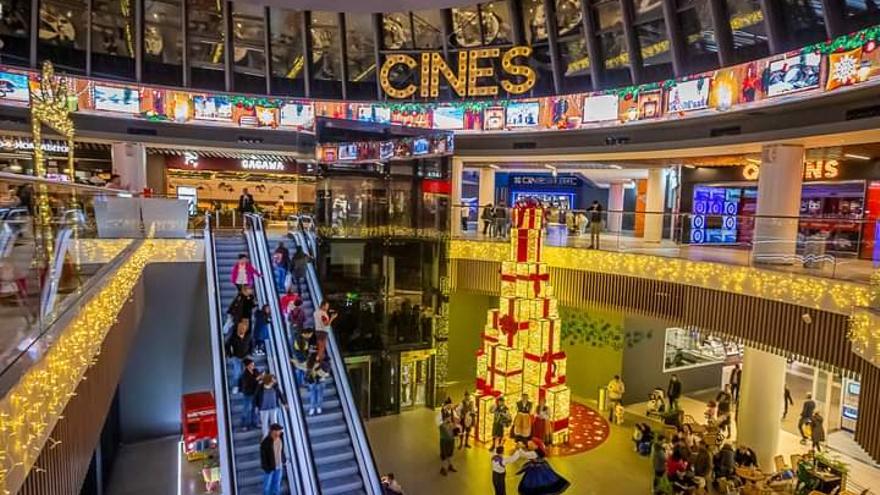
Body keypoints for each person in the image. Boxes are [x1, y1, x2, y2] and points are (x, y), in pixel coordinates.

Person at [254, 374, 287, 438]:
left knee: (274, 422)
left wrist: (284, 403)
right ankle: (265, 436)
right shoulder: (260, 387)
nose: (274, 381)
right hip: (263, 408)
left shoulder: (275, 386)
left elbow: (280, 394)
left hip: (273, 407)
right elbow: (255, 397)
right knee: (264, 423)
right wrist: (256, 406)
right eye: (273, 380)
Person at [225, 320, 253, 392]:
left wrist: (250, 352)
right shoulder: (233, 338)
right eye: (240, 330)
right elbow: (227, 345)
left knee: (245, 372)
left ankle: (243, 386)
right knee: (237, 373)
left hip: (245, 357)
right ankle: (236, 386)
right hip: (236, 357)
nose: (241, 332)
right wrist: (230, 355)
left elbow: (251, 343)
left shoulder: (248, 336)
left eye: (243, 330)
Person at [260, 423, 285, 495]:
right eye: (278, 430)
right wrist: (266, 468)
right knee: (267, 487)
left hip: (279, 466)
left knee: (276, 485)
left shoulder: (280, 438)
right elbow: (263, 457)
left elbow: (281, 450)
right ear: (273, 431)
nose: (280, 431)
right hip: (270, 468)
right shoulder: (266, 443)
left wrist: (283, 459)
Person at [238, 358, 261, 430]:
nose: (253, 365)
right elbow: (247, 384)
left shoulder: (255, 371)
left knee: (255, 409)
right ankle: (244, 424)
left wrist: (260, 378)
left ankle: (255, 423)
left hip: (255, 393)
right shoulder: (244, 374)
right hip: (248, 394)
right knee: (246, 409)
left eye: (253, 364)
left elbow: (258, 378)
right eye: (251, 364)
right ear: (247, 366)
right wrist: (256, 379)